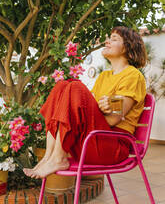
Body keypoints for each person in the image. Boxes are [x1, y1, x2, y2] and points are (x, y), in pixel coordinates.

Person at [23, 26, 147, 179]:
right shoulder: (104, 76)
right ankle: (49, 156)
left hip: (113, 146)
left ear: (127, 47)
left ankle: (58, 158)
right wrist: (98, 110)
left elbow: (114, 119)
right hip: (92, 139)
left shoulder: (132, 75)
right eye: (108, 38)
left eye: (114, 39)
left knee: (75, 86)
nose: (106, 42)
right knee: (62, 85)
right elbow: (93, 108)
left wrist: (99, 111)